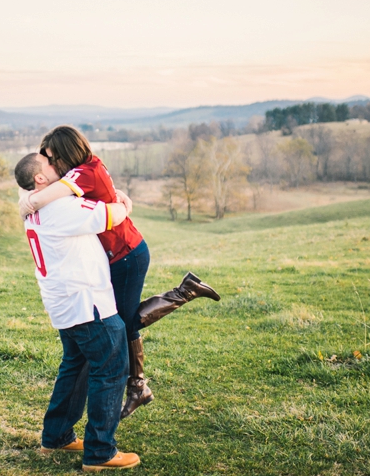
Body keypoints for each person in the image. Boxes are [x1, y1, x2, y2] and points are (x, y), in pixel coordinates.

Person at [20, 126, 221, 418]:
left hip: (127, 254)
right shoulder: (84, 170)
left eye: (51, 158)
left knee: (123, 324)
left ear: (65, 153)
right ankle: (138, 387)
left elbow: (39, 199)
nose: (50, 165)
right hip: (120, 254)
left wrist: (27, 203)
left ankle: (183, 295)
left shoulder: (81, 173)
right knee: (120, 324)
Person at [15, 151, 140, 471]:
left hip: (62, 301)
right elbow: (111, 216)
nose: (61, 168)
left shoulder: (33, 203)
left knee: (76, 364)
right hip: (87, 301)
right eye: (51, 166)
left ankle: (57, 436)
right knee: (111, 368)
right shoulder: (59, 206)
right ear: (41, 179)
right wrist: (123, 201)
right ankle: (101, 451)